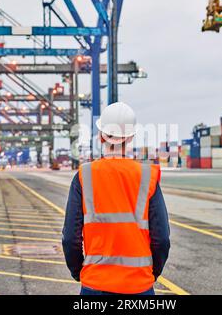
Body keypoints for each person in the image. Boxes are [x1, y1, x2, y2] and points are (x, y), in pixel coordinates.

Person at [62, 102, 170, 295]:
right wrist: (152, 273)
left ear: (101, 135)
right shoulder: (147, 176)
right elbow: (161, 238)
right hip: (139, 286)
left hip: (95, 285)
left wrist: (79, 272)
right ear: (130, 137)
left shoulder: (84, 176)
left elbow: (70, 238)